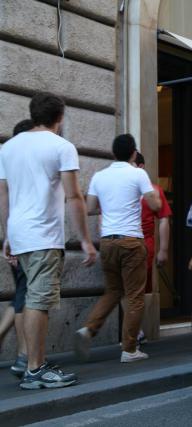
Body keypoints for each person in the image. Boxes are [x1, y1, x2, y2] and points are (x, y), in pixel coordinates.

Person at [0, 92, 97, 389]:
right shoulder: (61, 146)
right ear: (60, 117)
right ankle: (35, 368)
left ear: (33, 114)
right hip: (43, 236)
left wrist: (6, 235)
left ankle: (31, 362)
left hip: (19, 234)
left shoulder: (8, 147)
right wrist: (85, 240)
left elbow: (3, 194)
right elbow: (74, 197)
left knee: (29, 298)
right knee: (38, 302)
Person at [75, 134, 161, 363]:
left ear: (113, 153)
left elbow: (91, 207)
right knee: (134, 296)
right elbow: (155, 205)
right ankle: (130, 349)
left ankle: (88, 329)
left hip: (107, 242)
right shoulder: (138, 173)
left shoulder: (99, 176)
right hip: (131, 241)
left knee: (113, 291)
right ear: (133, 153)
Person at [0, 119, 33, 378]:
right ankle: (24, 355)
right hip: (23, 237)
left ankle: (24, 354)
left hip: (13, 234)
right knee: (26, 296)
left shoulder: (7, 155)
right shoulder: (20, 157)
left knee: (22, 293)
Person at [132, 152, 172, 344]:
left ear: (141, 167)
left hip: (142, 246)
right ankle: (134, 333)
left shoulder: (153, 190)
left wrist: (163, 249)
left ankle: (134, 332)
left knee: (133, 291)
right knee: (136, 291)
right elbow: (163, 218)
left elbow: (164, 218)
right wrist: (162, 249)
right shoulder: (153, 190)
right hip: (141, 245)